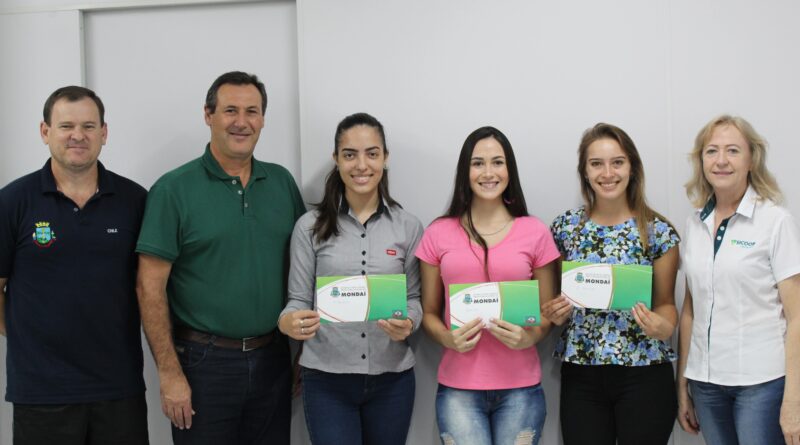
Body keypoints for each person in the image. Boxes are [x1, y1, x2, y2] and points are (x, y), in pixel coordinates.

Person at [135, 71, 305, 445]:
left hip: (272, 359)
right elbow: (149, 287)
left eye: (252, 111)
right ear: (208, 115)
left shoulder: (281, 183)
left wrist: (303, 354)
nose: (241, 122)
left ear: (263, 119)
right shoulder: (173, 189)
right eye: (230, 110)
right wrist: (169, 372)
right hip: (203, 365)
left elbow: (304, 275)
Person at [0, 86, 149, 444]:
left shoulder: (135, 200)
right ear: (45, 131)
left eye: (88, 126)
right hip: (41, 392)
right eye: (66, 125)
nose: (77, 136)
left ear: (104, 133)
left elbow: (150, 287)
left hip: (119, 388)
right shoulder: (13, 201)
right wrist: (24, 333)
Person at [278, 112, 423, 445]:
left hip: (393, 379)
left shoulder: (408, 226)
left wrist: (410, 322)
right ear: (336, 159)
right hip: (326, 380)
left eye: (372, 153)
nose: (361, 165)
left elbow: (414, 299)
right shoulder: (308, 227)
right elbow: (297, 302)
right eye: (350, 154)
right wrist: (288, 323)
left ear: (385, 158)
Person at [416, 126, 558, 445]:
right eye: (478, 163)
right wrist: (447, 338)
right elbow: (428, 313)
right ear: (465, 170)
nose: (488, 172)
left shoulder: (535, 232)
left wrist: (529, 337)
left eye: (498, 162)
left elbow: (547, 312)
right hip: (458, 390)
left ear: (510, 170)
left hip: (521, 388)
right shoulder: (438, 233)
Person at [542, 123, 680, 445]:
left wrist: (664, 326)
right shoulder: (564, 228)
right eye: (596, 163)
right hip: (582, 376)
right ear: (584, 172)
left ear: (632, 168)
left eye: (617, 162)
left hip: (644, 371)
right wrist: (554, 313)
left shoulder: (657, 231)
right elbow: (550, 303)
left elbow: (667, 304)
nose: (608, 173)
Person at [676, 115, 800, 445]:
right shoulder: (695, 224)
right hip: (706, 382)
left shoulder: (775, 221)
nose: (721, 160)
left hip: (761, 383)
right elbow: (690, 310)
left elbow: (797, 316)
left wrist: (794, 400)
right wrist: (683, 385)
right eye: (711, 151)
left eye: (732, 150)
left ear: (751, 159)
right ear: (701, 160)